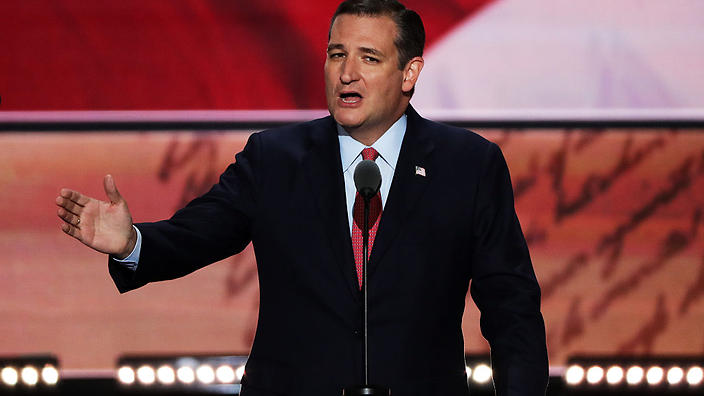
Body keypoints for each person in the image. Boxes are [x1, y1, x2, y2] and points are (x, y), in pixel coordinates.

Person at [55, 1, 548, 395]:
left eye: (368, 58)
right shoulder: (275, 157)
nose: (346, 74)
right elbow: (201, 233)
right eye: (336, 54)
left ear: (409, 73)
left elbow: (512, 308)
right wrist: (133, 243)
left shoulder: (468, 165)